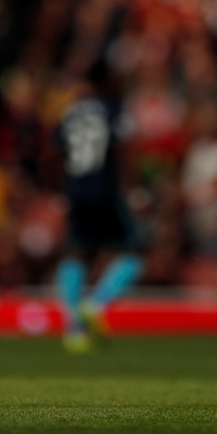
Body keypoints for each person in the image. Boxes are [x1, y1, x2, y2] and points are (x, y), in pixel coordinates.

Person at [54, 61, 143, 353]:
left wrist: (61, 188)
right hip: (105, 188)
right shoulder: (113, 107)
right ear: (107, 81)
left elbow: (55, 150)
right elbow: (122, 148)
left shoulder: (70, 111)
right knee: (133, 251)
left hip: (76, 189)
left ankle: (73, 330)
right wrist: (133, 189)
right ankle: (95, 304)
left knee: (77, 252)